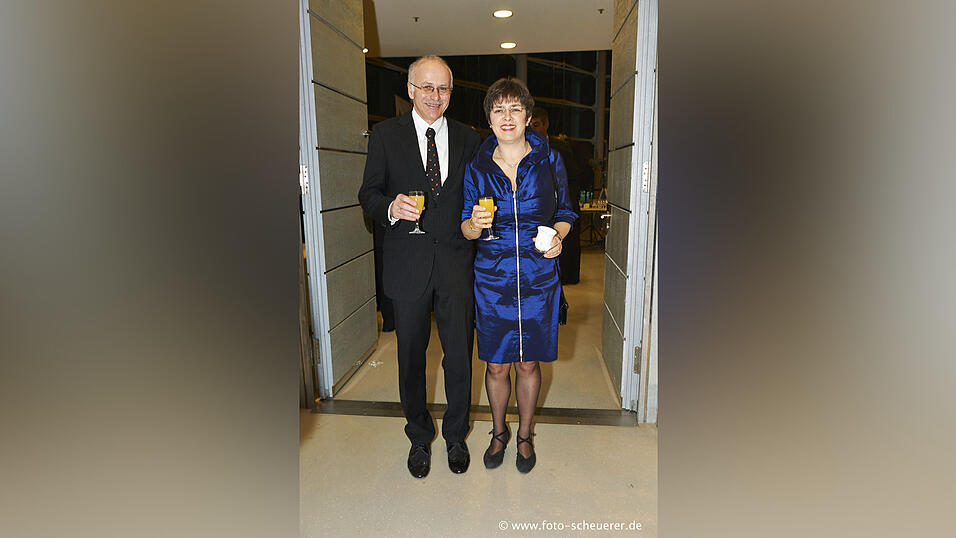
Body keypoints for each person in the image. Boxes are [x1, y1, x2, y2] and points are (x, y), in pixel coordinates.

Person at [358, 55, 481, 479]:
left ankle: (456, 436)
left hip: (456, 265)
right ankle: (419, 437)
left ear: (451, 93)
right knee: (411, 359)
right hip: (406, 264)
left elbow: (479, 192)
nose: (435, 95)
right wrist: (391, 207)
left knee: (459, 357)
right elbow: (368, 194)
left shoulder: (468, 138)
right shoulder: (385, 135)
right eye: (427, 87)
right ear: (411, 90)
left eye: (443, 88)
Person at [461, 78, 577, 473]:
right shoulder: (476, 166)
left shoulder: (549, 160)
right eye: (499, 109)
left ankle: (525, 435)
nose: (507, 116)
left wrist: (557, 237)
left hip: (538, 277)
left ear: (528, 117)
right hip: (491, 279)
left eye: (515, 109)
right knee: (496, 365)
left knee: (528, 363)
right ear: (489, 119)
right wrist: (474, 225)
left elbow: (566, 211)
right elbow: (465, 227)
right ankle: (499, 432)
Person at [530, 107, 585, 284]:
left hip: (565, 203)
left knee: (568, 246)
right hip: (540, 209)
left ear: (546, 124)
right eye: (530, 125)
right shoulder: (526, 149)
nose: (533, 129)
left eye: (536, 125)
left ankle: (568, 277)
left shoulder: (561, 149)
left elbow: (575, 178)